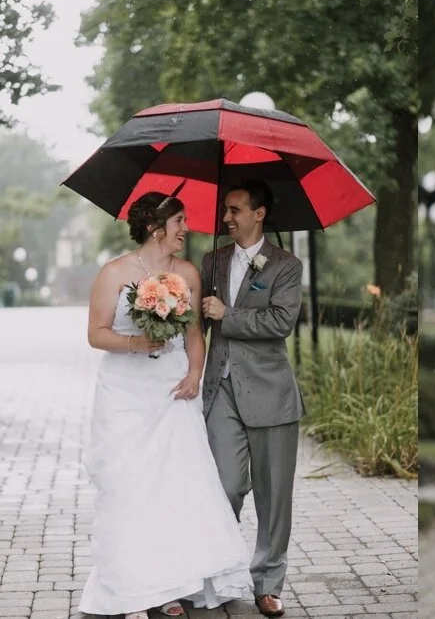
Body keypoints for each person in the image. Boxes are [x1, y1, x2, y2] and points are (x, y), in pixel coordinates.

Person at [80, 192, 253, 618]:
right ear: (156, 228)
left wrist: (195, 372)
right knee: (131, 484)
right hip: (125, 391)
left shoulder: (189, 273)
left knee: (177, 483)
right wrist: (134, 342)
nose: (186, 228)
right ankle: (142, 584)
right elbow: (96, 334)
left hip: (173, 386)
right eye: (179, 221)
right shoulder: (114, 273)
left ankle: (178, 581)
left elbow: (194, 334)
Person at [199, 181, 305, 617]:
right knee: (224, 486)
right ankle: (221, 573)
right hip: (220, 388)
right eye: (226, 209)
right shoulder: (212, 260)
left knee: (273, 495)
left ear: (259, 214)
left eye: (236, 210)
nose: (227, 217)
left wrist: (229, 315)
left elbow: (281, 322)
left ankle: (268, 583)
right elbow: (196, 324)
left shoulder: (286, 266)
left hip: (271, 393)